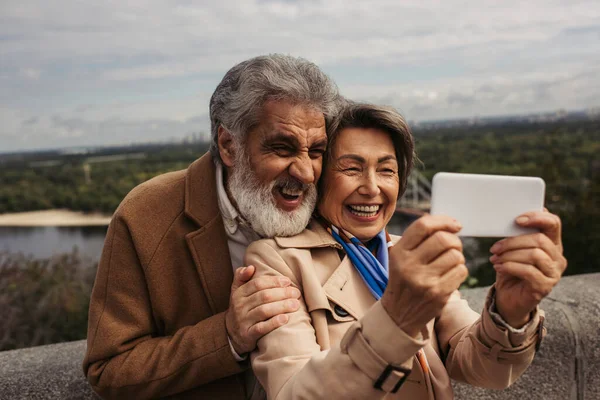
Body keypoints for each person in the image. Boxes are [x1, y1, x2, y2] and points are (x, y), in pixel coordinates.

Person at [246, 102, 568, 399]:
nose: (372, 187)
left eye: (386, 170)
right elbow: (295, 393)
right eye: (351, 169)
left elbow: (482, 368)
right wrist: (395, 320)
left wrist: (510, 312)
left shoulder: (407, 251)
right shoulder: (278, 261)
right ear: (319, 179)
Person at [82, 54, 342, 399]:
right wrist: (227, 336)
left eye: (316, 151)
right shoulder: (146, 215)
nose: (306, 173)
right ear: (228, 144)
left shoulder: (332, 202)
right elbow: (109, 370)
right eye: (282, 148)